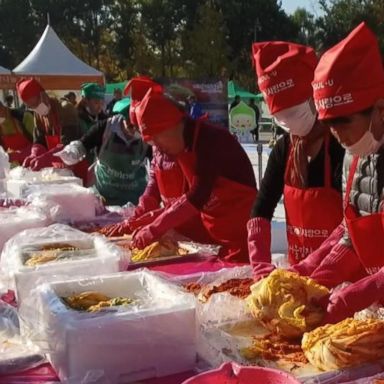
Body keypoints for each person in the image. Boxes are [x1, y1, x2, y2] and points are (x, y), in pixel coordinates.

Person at [284, 22, 384, 325]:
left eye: (344, 122)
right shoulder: (357, 154)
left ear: (379, 109)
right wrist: (313, 274)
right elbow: (351, 230)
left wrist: (350, 297)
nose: (336, 135)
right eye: (329, 124)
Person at [247, 41, 345, 280]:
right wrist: (259, 264)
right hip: (298, 274)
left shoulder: (341, 145)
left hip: (340, 273)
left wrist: (315, 268)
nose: (288, 122)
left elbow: (350, 225)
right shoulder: (284, 148)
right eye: (280, 116)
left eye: (293, 111)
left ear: (314, 98)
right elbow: (262, 206)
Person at [129, 87, 257, 262]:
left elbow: (197, 196)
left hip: (241, 239)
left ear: (173, 125)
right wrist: (152, 218)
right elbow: (183, 198)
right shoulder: (183, 146)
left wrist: (155, 228)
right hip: (215, 238)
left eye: (157, 137)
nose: (157, 147)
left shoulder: (210, 141)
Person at [100, 76, 212, 244]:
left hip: (199, 231)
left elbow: (193, 198)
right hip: (173, 230)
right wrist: (136, 219)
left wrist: (152, 222)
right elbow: (153, 187)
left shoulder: (184, 143)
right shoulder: (158, 144)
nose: (147, 140)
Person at [55, 97, 151, 206]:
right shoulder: (106, 127)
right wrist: (71, 152)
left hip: (134, 199)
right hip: (103, 197)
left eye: (138, 127)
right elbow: (83, 144)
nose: (134, 130)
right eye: (130, 126)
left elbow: (155, 164)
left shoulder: (147, 134)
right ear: (122, 118)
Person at [16, 78, 81, 172]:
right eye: (31, 107)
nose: (36, 108)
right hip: (57, 167)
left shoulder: (66, 109)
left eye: (36, 103)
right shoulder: (38, 115)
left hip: (75, 164)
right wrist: (34, 154)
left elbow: (68, 144)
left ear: (43, 94)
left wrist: (45, 158)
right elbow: (39, 140)